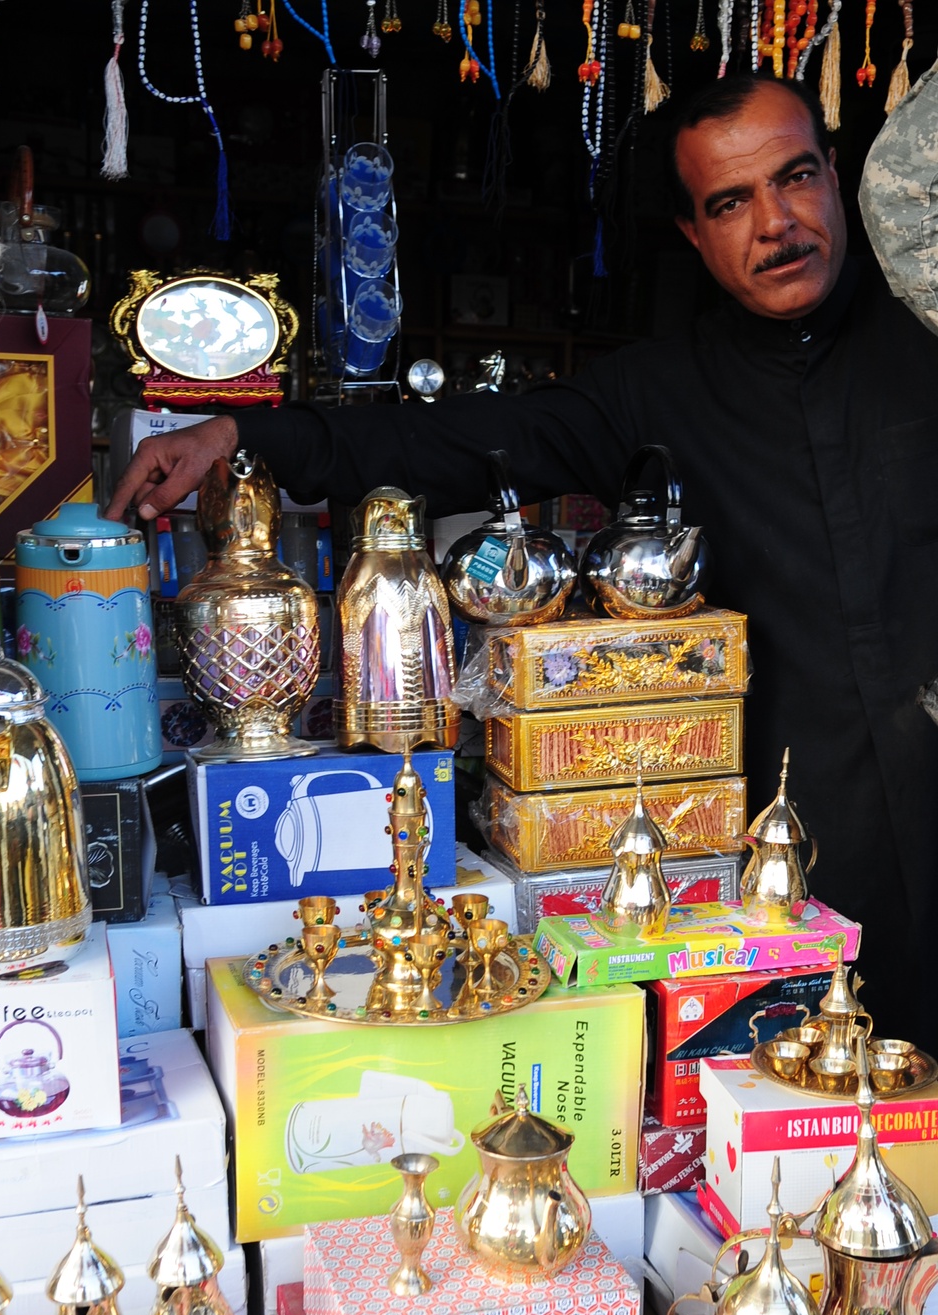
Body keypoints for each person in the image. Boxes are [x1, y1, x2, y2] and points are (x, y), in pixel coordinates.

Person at [110, 75, 938, 1046]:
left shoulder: (923, 338)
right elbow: (452, 443)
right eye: (730, 201)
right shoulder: (661, 393)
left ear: (836, 178)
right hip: (791, 848)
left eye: (794, 178)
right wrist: (244, 439)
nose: (775, 222)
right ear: (692, 233)